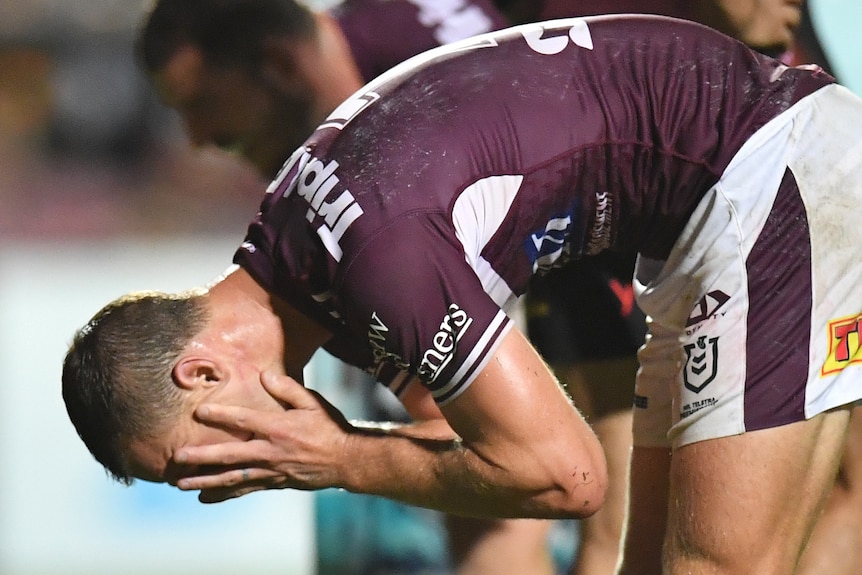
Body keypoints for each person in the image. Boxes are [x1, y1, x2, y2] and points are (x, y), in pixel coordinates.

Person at [64, 15, 862, 575]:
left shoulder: (375, 257)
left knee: (715, 565)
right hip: (710, 203)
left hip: (766, 173)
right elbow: (474, 453)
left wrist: (338, 456)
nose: (229, 481)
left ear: (200, 374)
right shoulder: (296, 258)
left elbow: (563, 476)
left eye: (196, 466)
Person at [136, 1, 558, 574]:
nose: (199, 139)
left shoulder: (422, 132)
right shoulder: (373, 109)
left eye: (201, 104)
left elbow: (503, 482)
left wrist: (340, 457)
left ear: (280, 64)